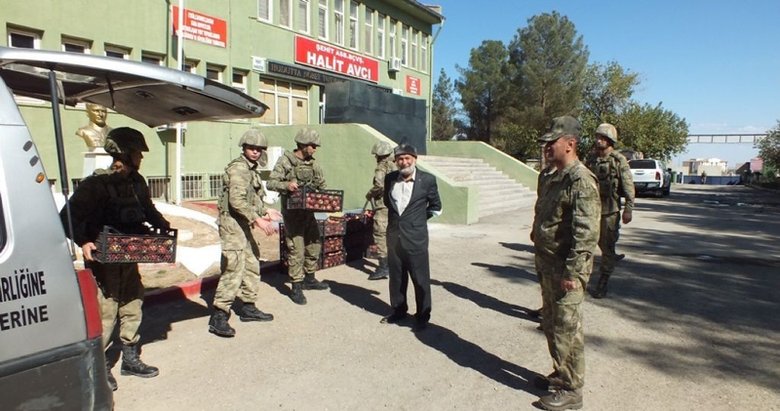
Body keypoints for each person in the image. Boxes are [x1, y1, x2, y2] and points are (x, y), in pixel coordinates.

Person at [60, 127, 170, 391]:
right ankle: (100, 365)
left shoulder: (137, 182)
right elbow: (67, 217)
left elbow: (147, 209)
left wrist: (163, 225)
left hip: (128, 252)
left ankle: (130, 357)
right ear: (124, 153)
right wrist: (83, 241)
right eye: (137, 153)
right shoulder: (96, 184)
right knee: (107, 310)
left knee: (133, 301)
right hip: (103, 256)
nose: (141, 158)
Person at [530, 116, 600, 410]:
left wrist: (573, 272)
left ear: (570, 144)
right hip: (547, 263)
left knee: (566, 329)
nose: (546, 147)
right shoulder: (549, 176)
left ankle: (571, 390)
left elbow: (586, 234)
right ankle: (561, 373)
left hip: (567, 268)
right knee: (550, 323)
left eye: (552, 142)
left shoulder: (581, 180)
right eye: (545, 143)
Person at [208, 129, 281, 338]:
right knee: (234, 266)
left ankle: (248, 306)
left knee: (251, 263)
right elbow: (236, 201)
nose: (256, 152)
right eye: (252, 148)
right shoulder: (239, 169)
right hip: (232, 225)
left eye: (259, 149)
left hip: (243, 223)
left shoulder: (251, 170)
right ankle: (219, 315)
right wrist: (257, 219)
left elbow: (251, 198)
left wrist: (265, 210)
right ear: (244, 148)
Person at [380, 143, 442, 332]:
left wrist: (417, 221)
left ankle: (423, 315)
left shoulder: (428, 180)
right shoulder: (390, 178)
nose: (403, 162)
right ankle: (398, 310)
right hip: (394, 237)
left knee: (420, 278)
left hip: (416, 238)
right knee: (397, 277)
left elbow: (436, 206)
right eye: (400, 158)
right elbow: (387, 202)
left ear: (415, 159)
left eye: (407, 158)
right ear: (395, 161)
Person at [267, 128, 329, 305]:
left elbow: (322, 185)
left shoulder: (313, 164)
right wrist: (287, 185)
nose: (315, 149)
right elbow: (271, 183)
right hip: (292, 213)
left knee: (314, 244)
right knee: (297, 249)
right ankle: (296, 287)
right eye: (312, 146)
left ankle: (310, 279)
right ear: (302, 144)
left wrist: (327, 199)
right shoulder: (286, 161)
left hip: (308, 212)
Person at [585, 123, 635, 299]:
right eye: (597, 137)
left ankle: (603, 282)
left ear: (609, 140)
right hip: (590, 209)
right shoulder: (591, 159)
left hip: (609, 211)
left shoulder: (618, 160)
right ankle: (583, 278)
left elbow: (628, 185)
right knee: (586, 245)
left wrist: (628, 208)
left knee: (606, 247)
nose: (598, 140)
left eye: (602, 138)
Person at [365, 141, 397, 280]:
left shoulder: (382, 166)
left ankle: (384, 266)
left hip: (383, 206)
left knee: (380, 234)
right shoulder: (396, 165)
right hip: (396, 205)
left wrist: (370, 193)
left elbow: (379, 185)